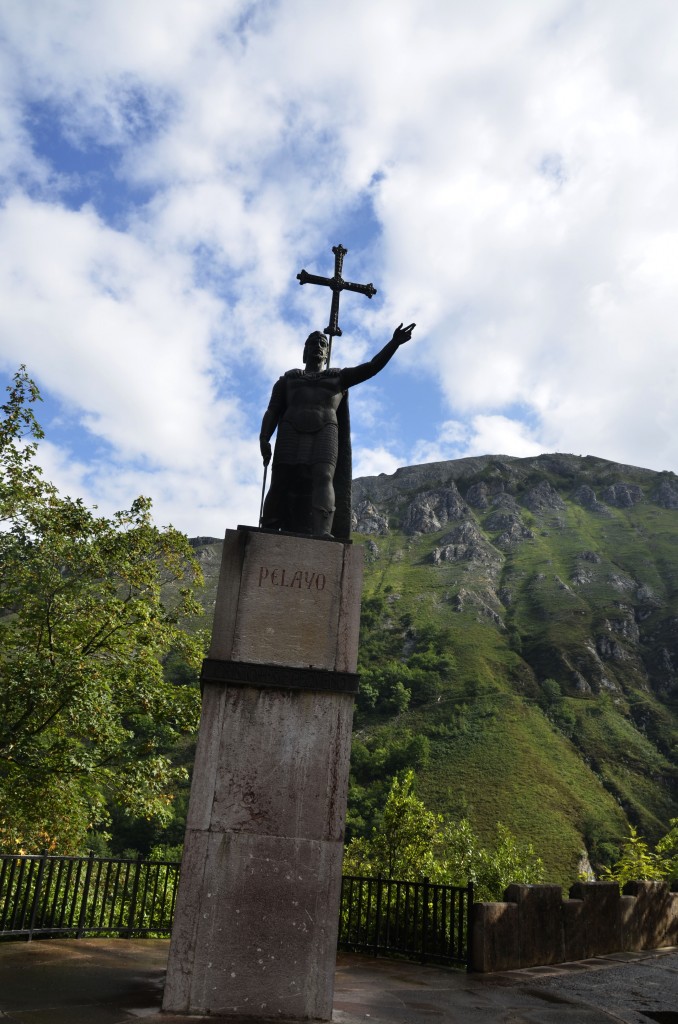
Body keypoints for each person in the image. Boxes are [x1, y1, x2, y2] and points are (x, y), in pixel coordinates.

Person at [260, 322, 415, 539]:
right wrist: (264, 438)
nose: (318, 346)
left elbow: (372, 367)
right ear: (305, 352)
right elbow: (272, 410)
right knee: (281, 478)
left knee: (323, 477)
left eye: (322, 343)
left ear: (327, 353)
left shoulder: (338, 378)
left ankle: (322, 532)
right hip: (290, 430)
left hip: (325, 429)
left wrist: (394, 343)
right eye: (313, 343)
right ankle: (268, 528)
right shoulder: (288, 380)